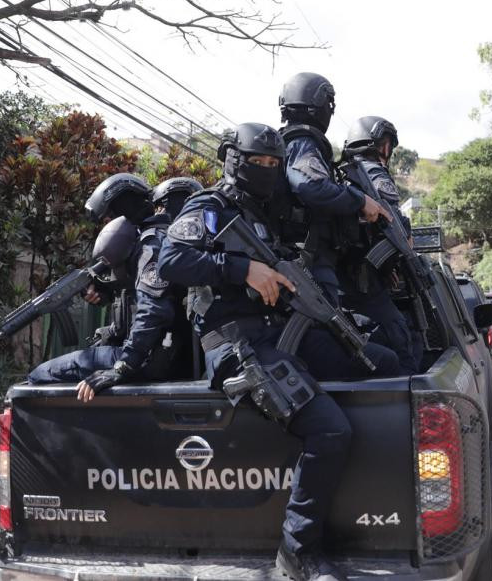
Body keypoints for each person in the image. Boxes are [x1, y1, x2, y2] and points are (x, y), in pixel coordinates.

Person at [158, 123, 398, 581]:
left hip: (282, 333)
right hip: (236, 343)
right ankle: (298, 548)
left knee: (381, 362)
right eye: (257, 164)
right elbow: (172, 260)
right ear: (232, 160)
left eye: (273, 164)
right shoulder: (209, 207)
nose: (267, 171)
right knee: (330, 430)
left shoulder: (269, 214)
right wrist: (241, 268)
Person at [28, 174, 199, 395]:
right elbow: (143, 293)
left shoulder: (154, 243)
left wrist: (123, 365)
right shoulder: (180, 245)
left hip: (147, 357)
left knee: (40, 375)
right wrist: (103, 290)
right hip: (163, 354)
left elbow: (154, 310)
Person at [276, 72, 390, 303]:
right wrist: (360, 201)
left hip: (312, 257)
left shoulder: (293, 141)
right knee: (329, 333)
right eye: (329, 103)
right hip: (309, 259)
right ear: (318, 104)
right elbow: (310, 187)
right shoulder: (303, 142)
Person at [337, 115, 422, 374]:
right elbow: (394, 224)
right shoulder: (372, 172)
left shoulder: (344, 176)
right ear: (375, 145)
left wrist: (386, 267)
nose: (388, 152)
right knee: (400, 336)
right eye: (386, 145)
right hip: (359, 277)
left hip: (343, 274)